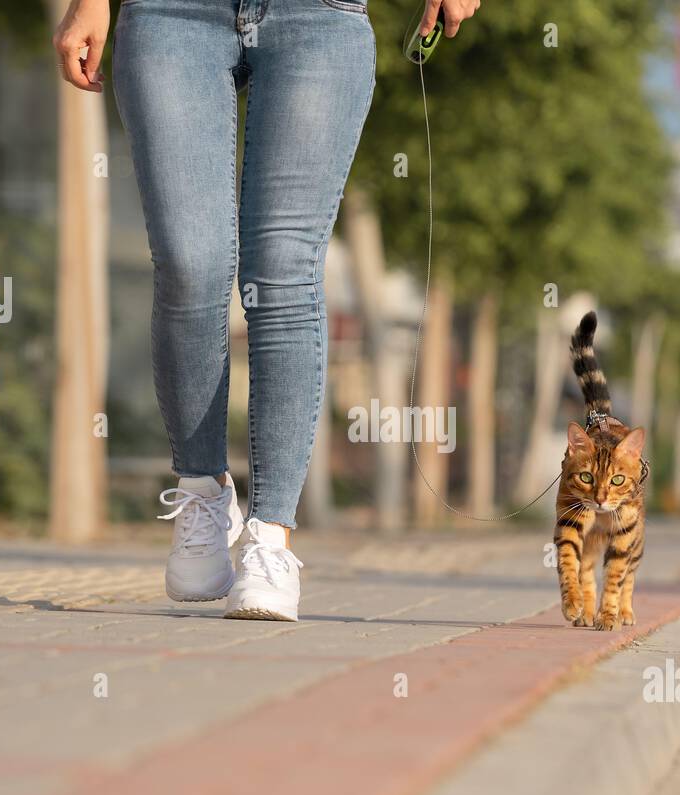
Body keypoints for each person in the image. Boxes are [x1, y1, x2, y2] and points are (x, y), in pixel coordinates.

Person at [54, 0, 481, 620]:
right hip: (173, 12)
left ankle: (271, 534)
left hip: (321, 16)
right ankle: (202, 492)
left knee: (282, 271)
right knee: (189, 262)